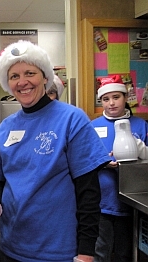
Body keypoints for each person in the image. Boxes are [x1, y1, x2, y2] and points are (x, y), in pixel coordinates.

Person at [0, 40, 112, 262]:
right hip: (11, 246)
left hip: (57, 251)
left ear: (44, 77)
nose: (23, 82)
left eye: (30, 73)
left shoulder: (71, 119)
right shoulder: (7, 127)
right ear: (7, 83)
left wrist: (86, 252)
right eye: (14, 76)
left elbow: (89, 192)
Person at [91, 82, 148, 262]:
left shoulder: (140, 125)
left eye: (116, 97)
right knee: (100, 251)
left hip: (132, 204)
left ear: (125, 98)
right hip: (102, 201)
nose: (111, 103)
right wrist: (103, 162)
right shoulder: (92, 126)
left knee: (126, 253)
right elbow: (83, 158)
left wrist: (138, 152)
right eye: (106, 99)